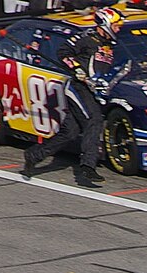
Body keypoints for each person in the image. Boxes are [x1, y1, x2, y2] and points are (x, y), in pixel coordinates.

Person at [23, 7, 122, 187]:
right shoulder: (86, 38)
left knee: (70, 133)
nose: (118, 29)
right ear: (106, 24)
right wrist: (76, 68)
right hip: (77, 88)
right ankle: (88, 166)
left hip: (93, 90)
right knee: (94, 120)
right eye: (116, 25)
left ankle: (34, 155)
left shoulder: (111, 45)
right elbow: (63, 51)